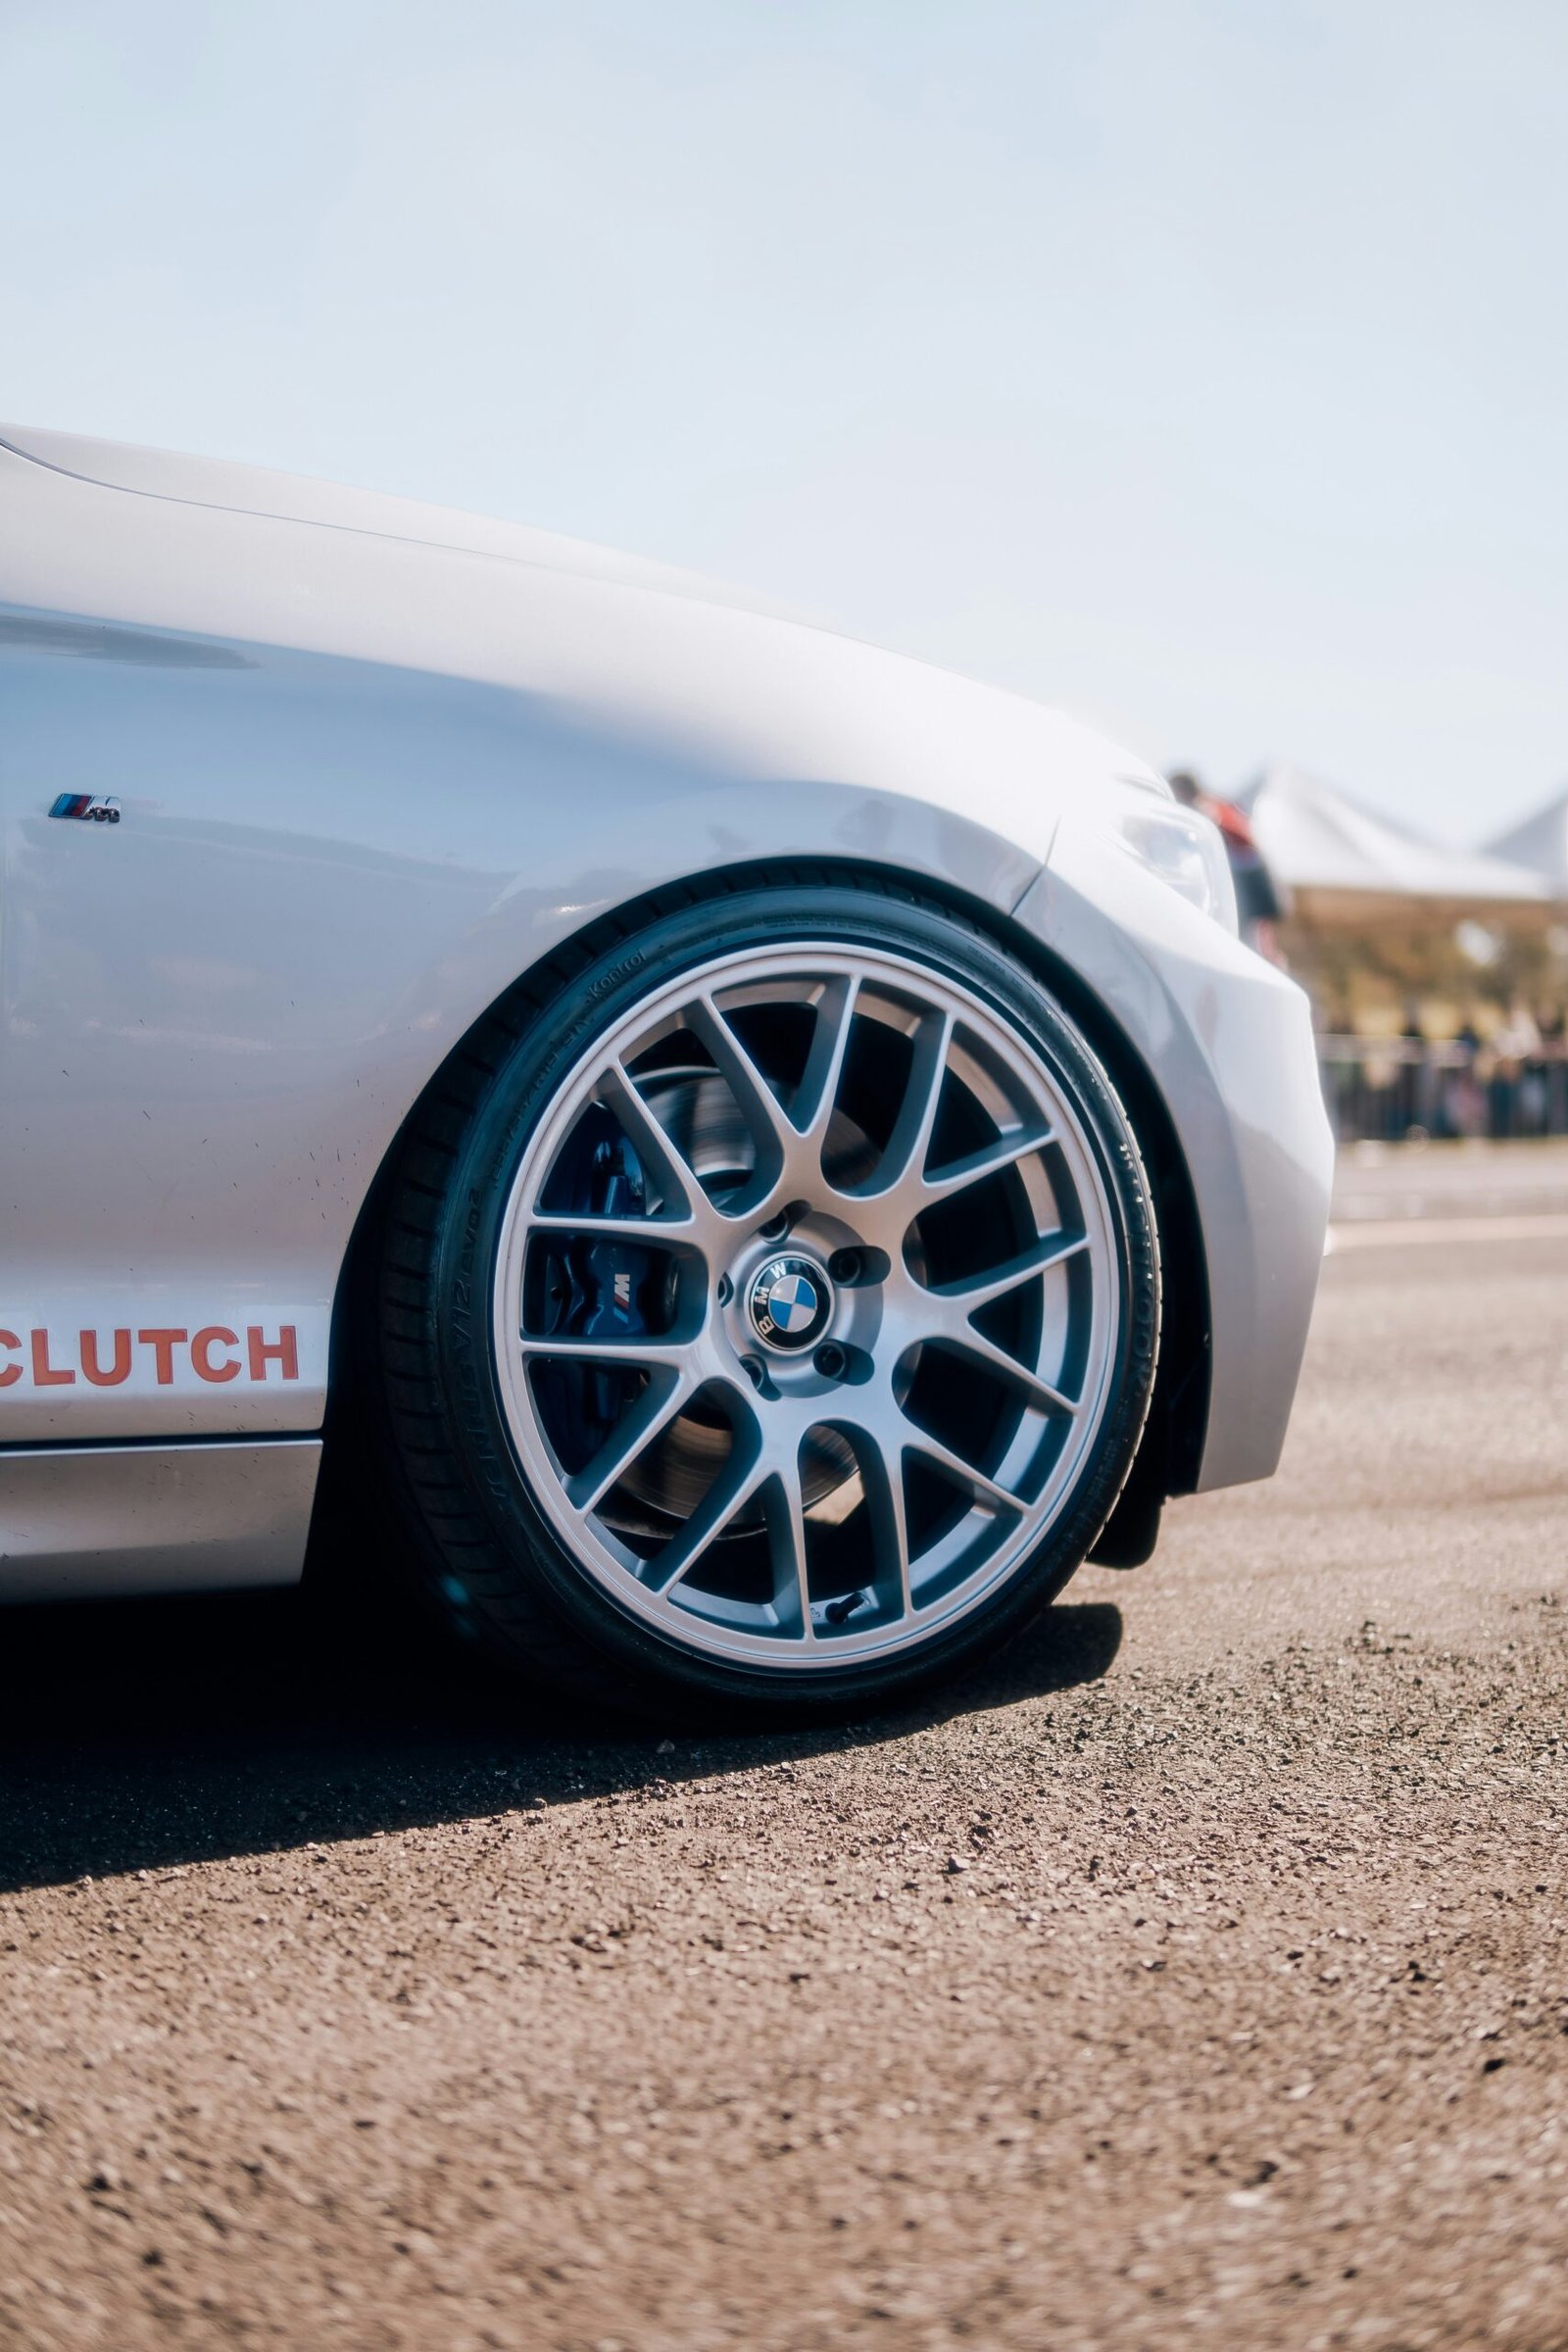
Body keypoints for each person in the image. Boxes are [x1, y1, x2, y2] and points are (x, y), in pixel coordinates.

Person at [1168, 770, 1285, 962]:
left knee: (1253, 941)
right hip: (1250, 875)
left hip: (1247, 879)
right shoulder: (1220, 804)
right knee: (1257, 938)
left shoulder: (1207, 808)